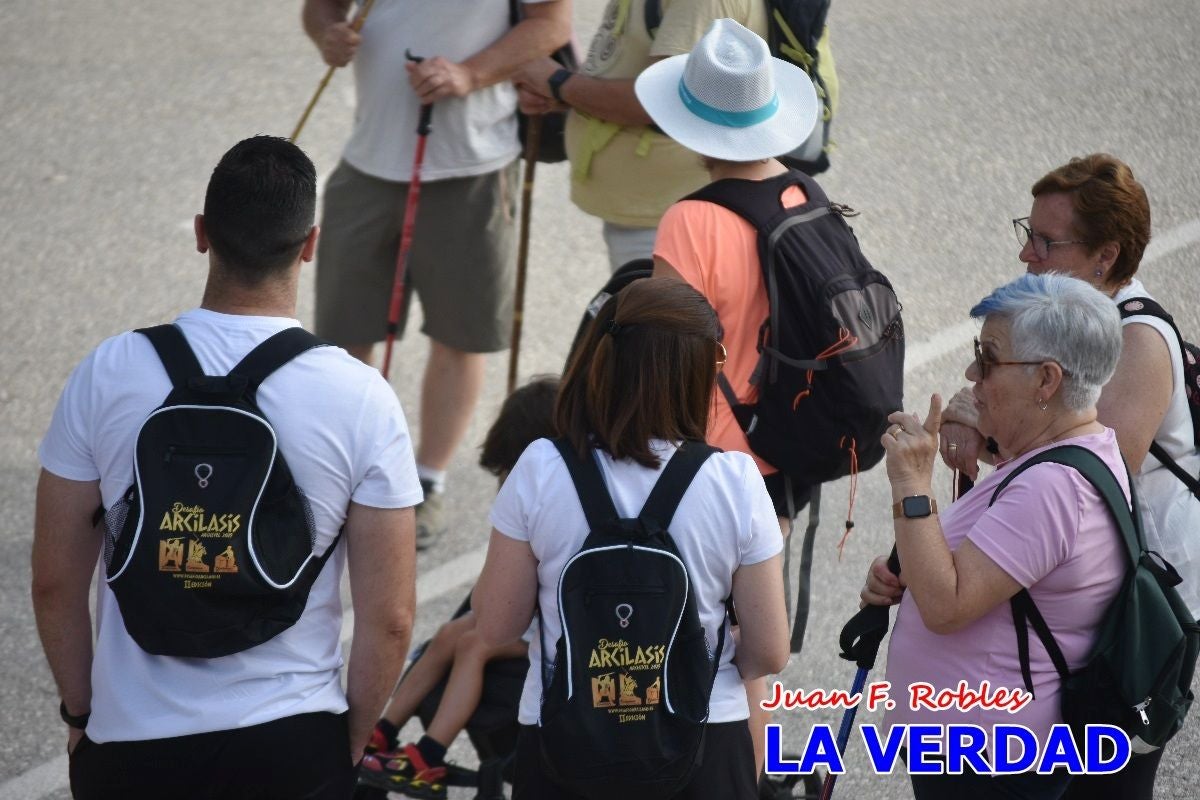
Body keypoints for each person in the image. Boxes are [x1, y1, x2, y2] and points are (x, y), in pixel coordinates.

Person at [32, 136, 421, 799]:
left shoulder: (109, 371)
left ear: (202, 233)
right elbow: (390, 617)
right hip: (291, 741)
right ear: (310, 244)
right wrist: (348, 742)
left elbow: (53, 581)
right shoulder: (360, 397)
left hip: (133, 746)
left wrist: (81, 715)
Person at [937, 154, 1200, 798]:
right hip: (1075, 595)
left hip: (1139, 613)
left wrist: (982, 425)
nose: (1027, 253)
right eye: (1026, 232)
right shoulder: (1062, 322)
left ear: (1105, 256)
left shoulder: (1137, 341)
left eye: (1046, 241)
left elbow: (1090, 471)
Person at [472, 277, 791, 798]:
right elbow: (769, 652)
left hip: (565, 744)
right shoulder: (734, 480)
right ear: (696, 372)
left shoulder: (539, 468)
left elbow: (497, 625)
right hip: (703, 744)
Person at [302, 0, 571, 551]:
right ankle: (346, 472)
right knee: (343, 336)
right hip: (368, 161)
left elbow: (551, 23)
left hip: (473, 165)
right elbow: (321, 8)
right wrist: (327, 33)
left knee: (459, 336)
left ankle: (427, 480)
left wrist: (470, 73)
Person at [633, 17, 818, 775]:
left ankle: (732, 775)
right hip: (786, 452)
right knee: (751, 651)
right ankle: (766, 775)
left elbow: (661, 352)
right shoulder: (806, 194)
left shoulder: (692, 219)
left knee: (700, 636)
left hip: (709, 462)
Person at [861, 272, 1128, 799]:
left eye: (987, 358)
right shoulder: (1057, 456)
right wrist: (912, 568)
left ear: (1046, 381)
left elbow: (947, 605)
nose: (971, 372)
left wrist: (912, 483)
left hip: (991, 764)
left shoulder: (1054, 487)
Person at [358, 376, 559, 799]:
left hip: (557, 631)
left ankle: (429, 756)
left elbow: (499, 611)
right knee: (454, 632)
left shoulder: (560, 505)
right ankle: (381, 733)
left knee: (475, 644)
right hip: (529, 618)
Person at [514, 0, 778, 270]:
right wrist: (569, 96)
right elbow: (630, 66)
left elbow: (665, 101)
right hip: (650, 211)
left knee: (656, 311)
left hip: (670, 220)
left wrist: (559, 84)